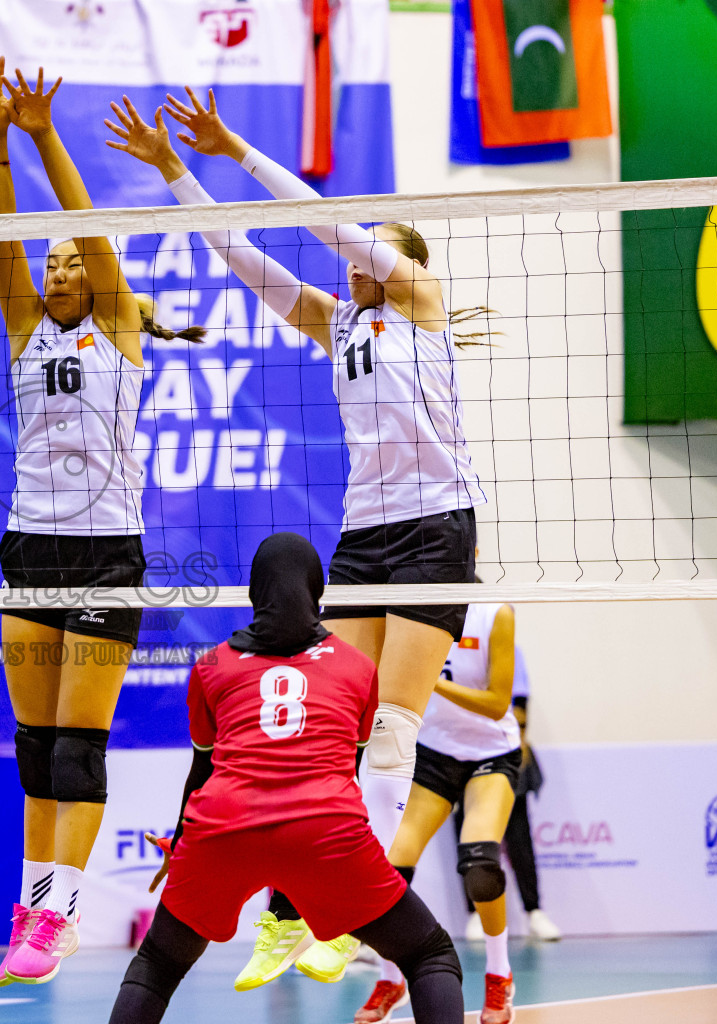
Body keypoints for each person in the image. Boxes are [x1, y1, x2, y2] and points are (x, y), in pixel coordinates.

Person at [105, 92, 487, 986]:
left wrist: (236, 145)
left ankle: (351, 916)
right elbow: (240, 256)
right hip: (363, 533)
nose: (357, 262)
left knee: (391, 736)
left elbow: (328, 228)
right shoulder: (336, 322)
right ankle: (293, 913)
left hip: (435, 528)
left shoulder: (421, 302)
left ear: (400, 261)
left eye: (373, 249)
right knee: (330, 739)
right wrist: (176, 174)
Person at [0, 59, 204, 986]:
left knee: (74, 745)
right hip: (29, 546)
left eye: (70, 263)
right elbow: (6, 240)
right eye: (50, 262)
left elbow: (88, 227)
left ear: (93, 283)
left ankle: (57, 919)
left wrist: (42, 134)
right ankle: (31, 909)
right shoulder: (27, 333)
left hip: (104, 554)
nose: (58, 267)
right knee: (31, 749)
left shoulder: (119, 336)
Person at [106, 533, 462, 1024]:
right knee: (430, 956)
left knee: (156, 966)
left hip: (223, 830)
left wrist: (181, 845)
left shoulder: (212, 667)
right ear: (317, 591)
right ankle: (314, 929)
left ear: (255, 591)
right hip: (325, 829)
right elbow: (351, 767)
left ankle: (292, 924)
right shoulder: (358, 667)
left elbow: (202, 772)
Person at [359, 601, 520, 1024]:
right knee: (389, 869)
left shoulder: (494, 614)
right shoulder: (412, 610)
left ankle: (498, 973)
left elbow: (498, 703)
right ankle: (391, 976)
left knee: (480, 863)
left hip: (492, 753)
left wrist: (431, 682)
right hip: (433, 754)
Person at [460, 645, 560, 943]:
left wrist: (520, 742)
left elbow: (519, 702)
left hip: (503, 750)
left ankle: (534, 912)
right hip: (460, 750)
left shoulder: (507, 646)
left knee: (519, 835)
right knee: (468, 836)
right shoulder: (449, 644)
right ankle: (475, 913)